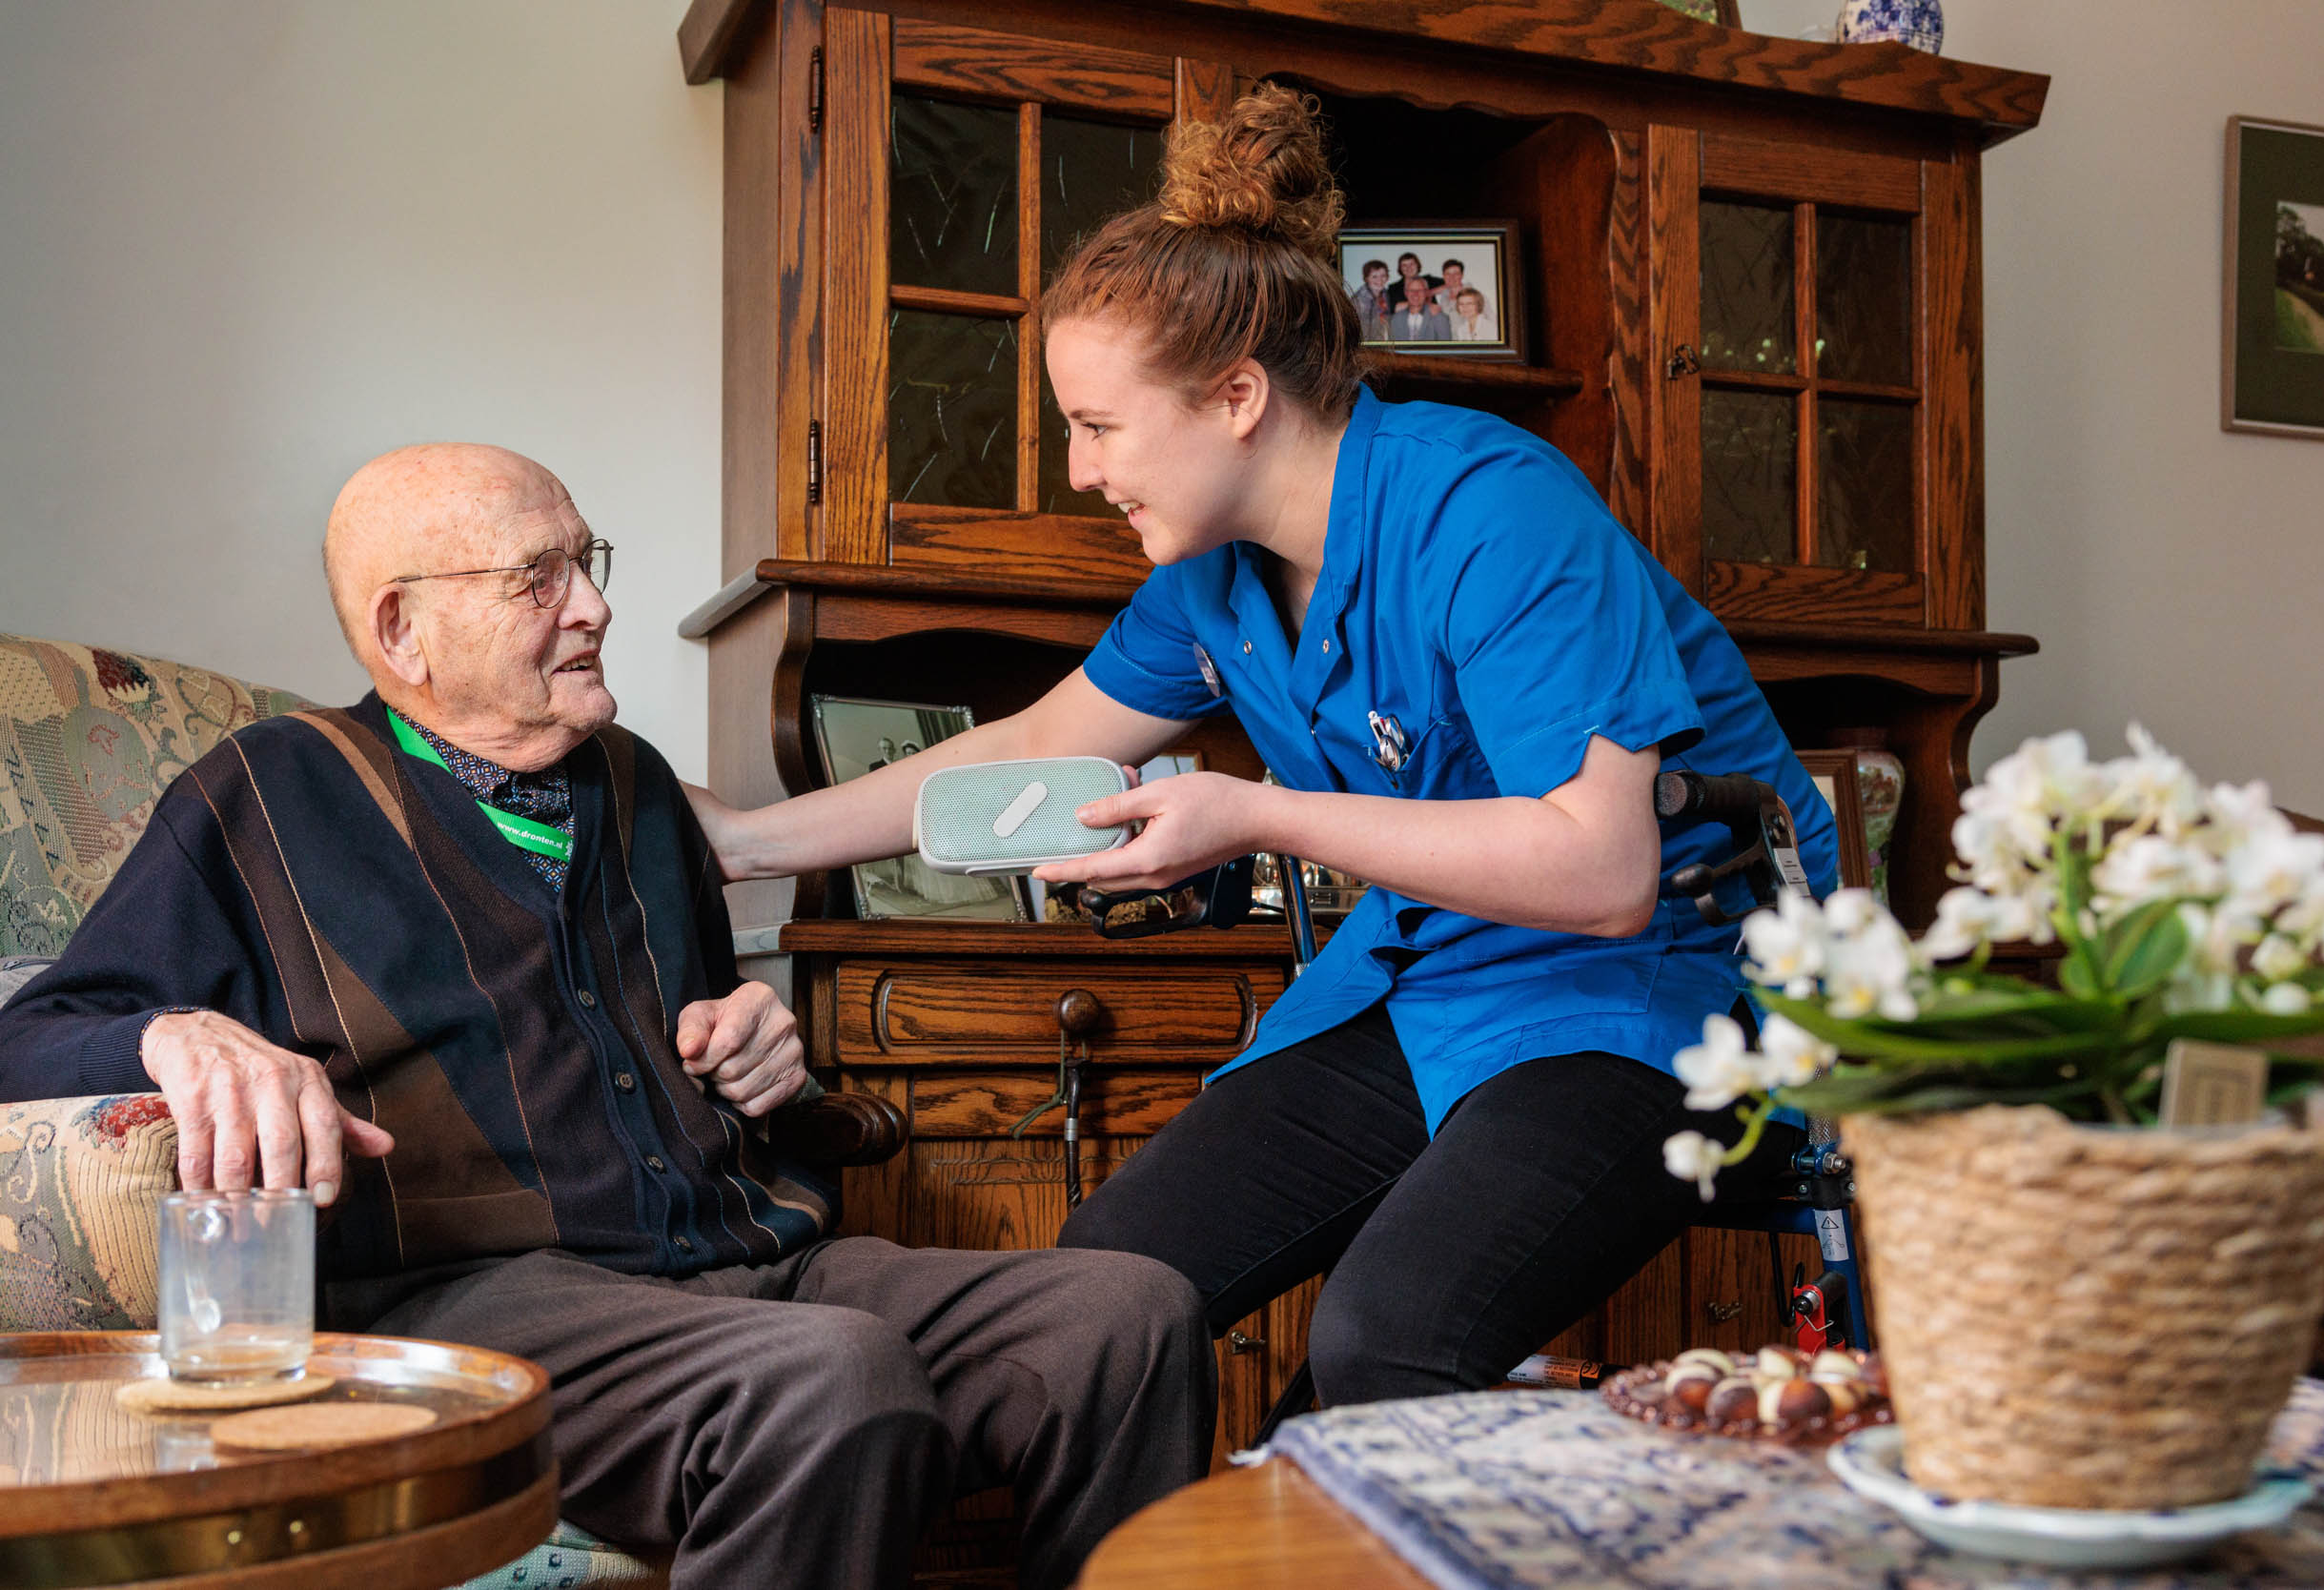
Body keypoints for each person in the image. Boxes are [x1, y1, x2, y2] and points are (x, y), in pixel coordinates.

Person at [687, 86, 1835, 1409]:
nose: (1078, 471)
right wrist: (745, 842)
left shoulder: (1490, 508)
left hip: (1662, 992)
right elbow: (1036, 739)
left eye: (1098, 427)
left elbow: (1603, 872)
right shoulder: (1210, 584)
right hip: (1430, 978)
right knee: (1099, 1294)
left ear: (1236, 395)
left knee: (1383, 1341)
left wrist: (1252, 813)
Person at [0, 444, 1213, 1590]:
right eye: (539, 578)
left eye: (587, 563)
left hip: (748, 1267)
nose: (593, 606)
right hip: (468, 1306)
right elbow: (32, 1035)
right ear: (402, 629)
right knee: (828, 1379)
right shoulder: (267, 793)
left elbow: (714, 1066)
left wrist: (768, 1063)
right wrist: (175, 1033)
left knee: (1127, 1315)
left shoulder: (637, 788)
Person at [1387, 272, 1450, 341]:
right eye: (1411, 290)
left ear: (1426, 292)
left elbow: (1445, 346)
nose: (1415, 294)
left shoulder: (1440, 318)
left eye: (1420, 290)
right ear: (1406, 293)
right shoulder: (1396, 319)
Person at [1349, 257, 1393, 339]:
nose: (1379, 280)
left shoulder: (1385, 294)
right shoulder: (1358, 300)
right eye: (1374, 276)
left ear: (1387, 277)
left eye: (1383, 276)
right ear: (1366, 278)